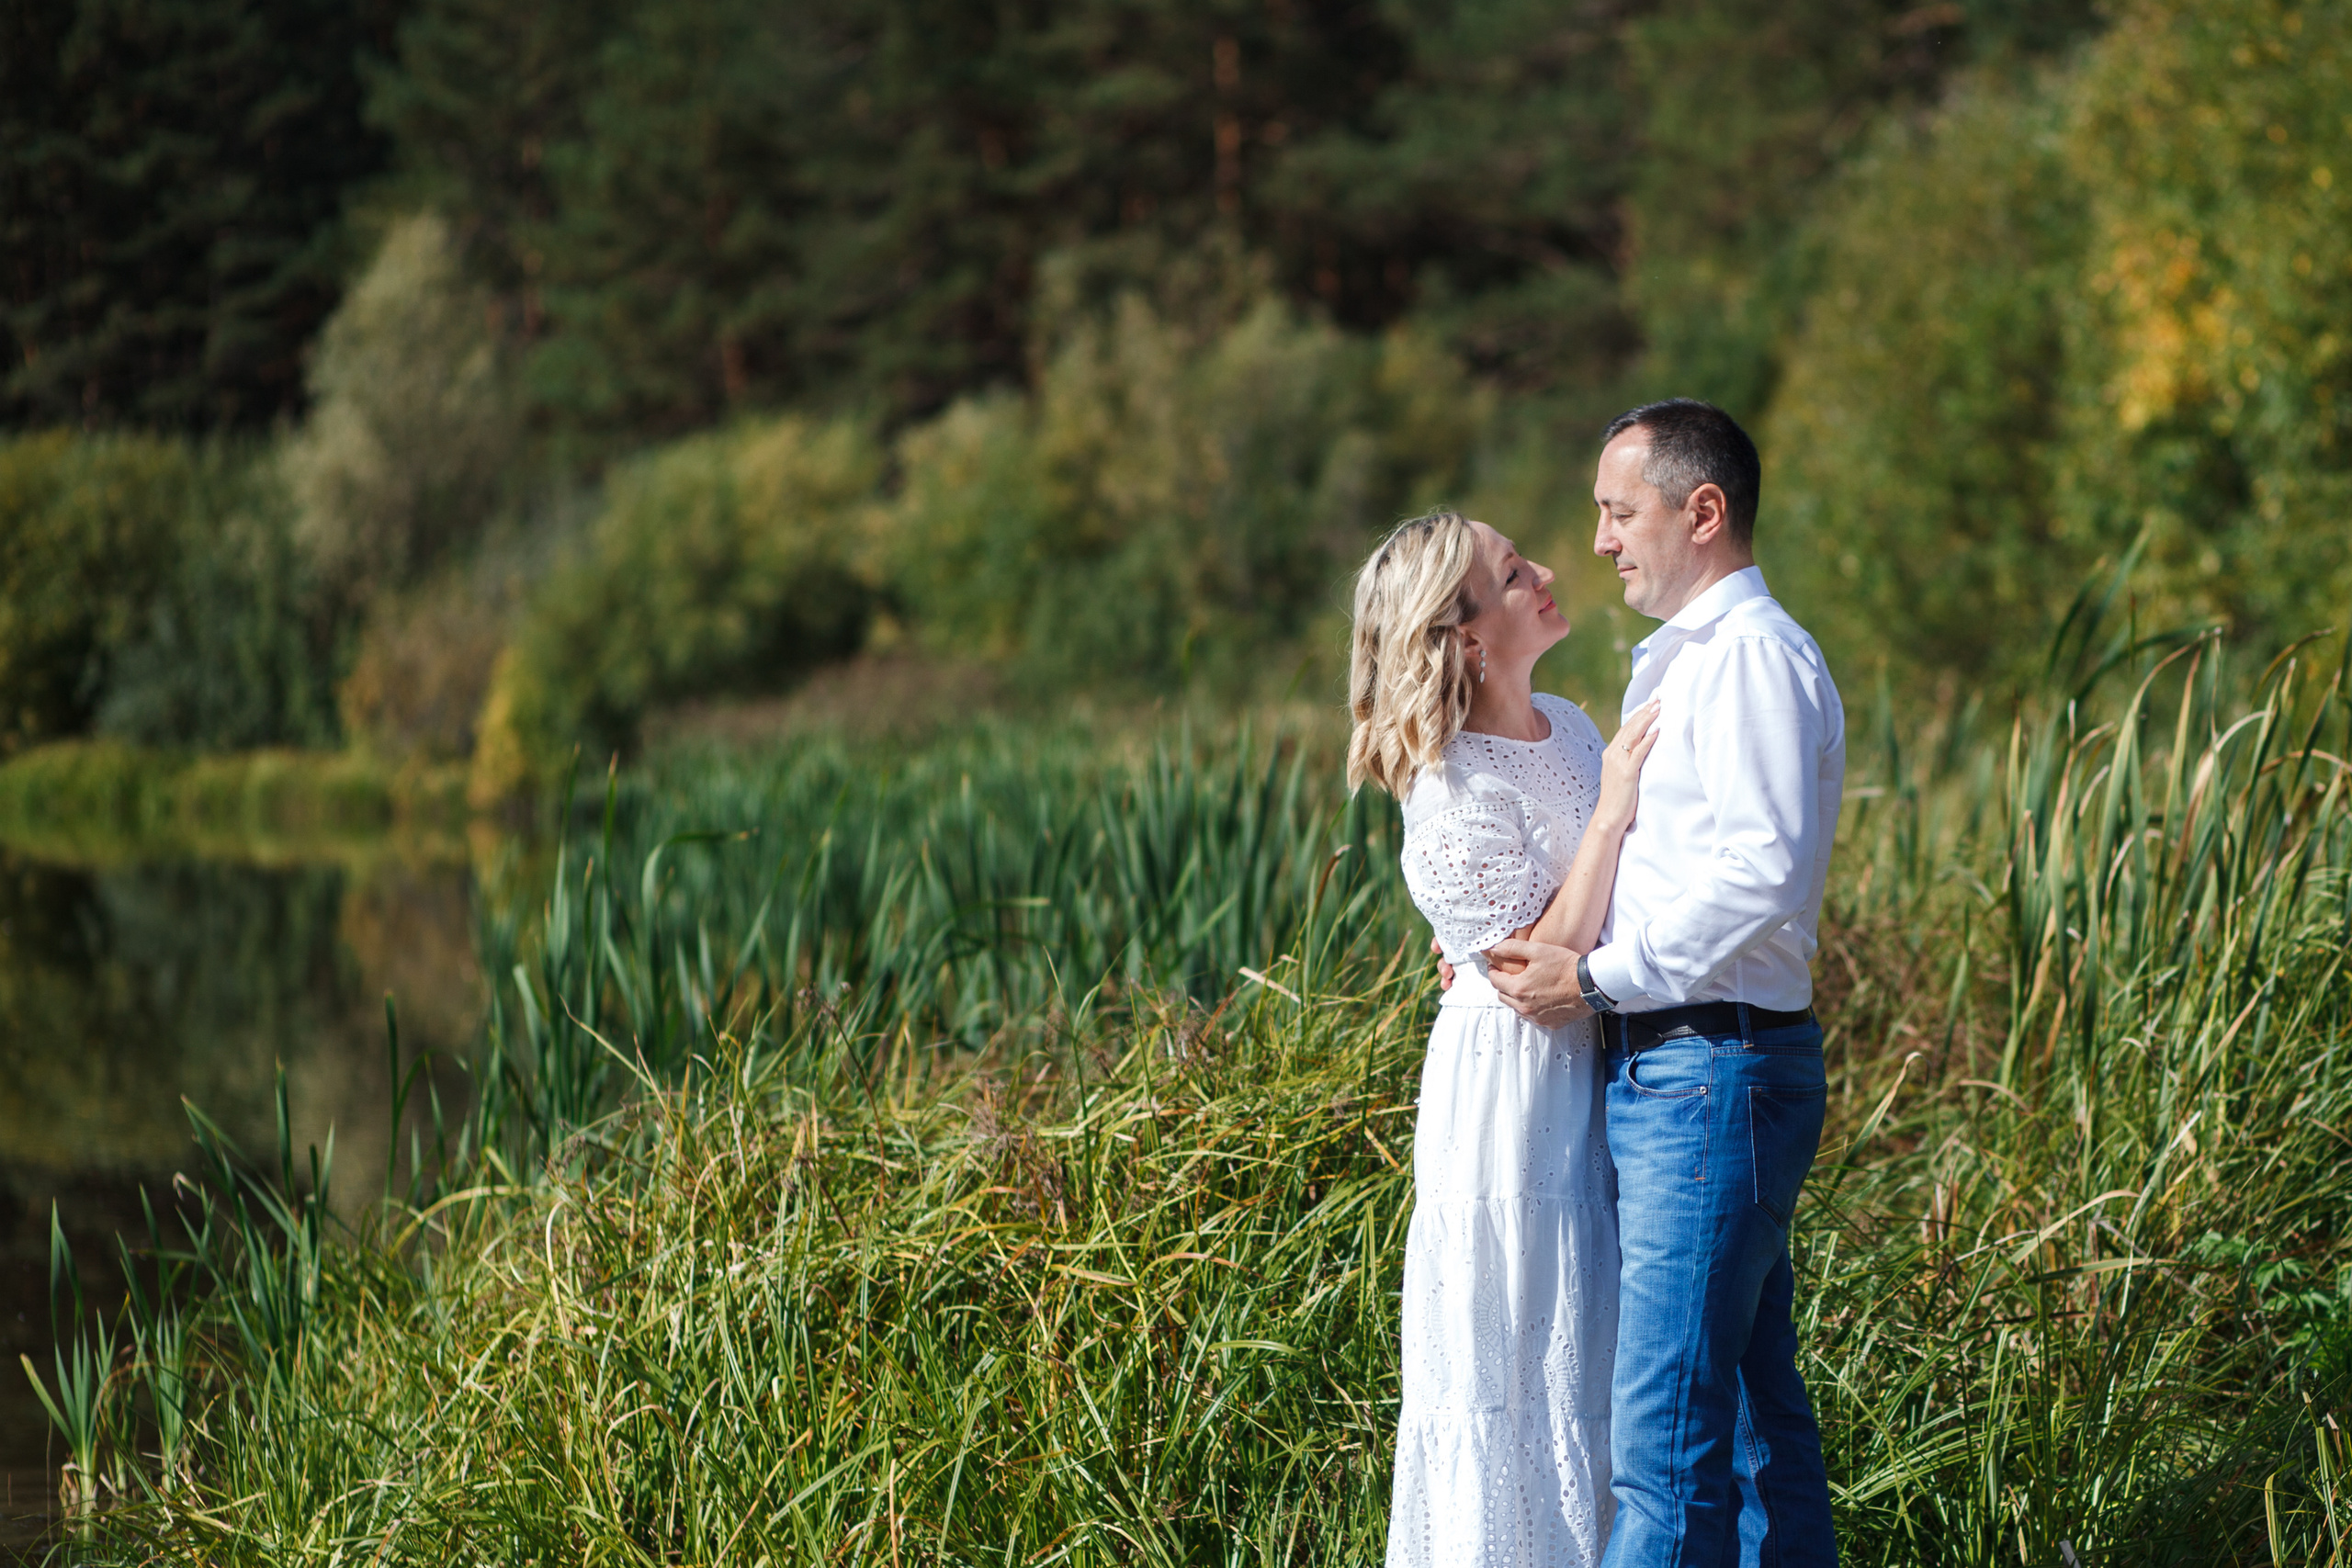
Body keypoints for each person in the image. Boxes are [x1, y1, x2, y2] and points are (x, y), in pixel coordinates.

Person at [1477, 400, 1847, 1568]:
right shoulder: (1681, 660)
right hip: (1686, 1066)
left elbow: (1761, 875)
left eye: (1616, 511)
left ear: (1702, 511)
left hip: (1712, 1066)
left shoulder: (1750, 662)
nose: (1596, 541)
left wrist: (1595, 979)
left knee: (1663, 1442)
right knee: (1744, 1428)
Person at [1347, 510, 1661, 1568]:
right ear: (1469, 637)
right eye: (1516, 572)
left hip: (1595, 1066)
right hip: (1509, 1097)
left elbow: (1590, 925)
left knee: (1592, 1358)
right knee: (1514, 1364)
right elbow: (1534, 979)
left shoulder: (1571, 725)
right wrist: (1613, 813)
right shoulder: (1451, 787)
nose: (1548, 574)